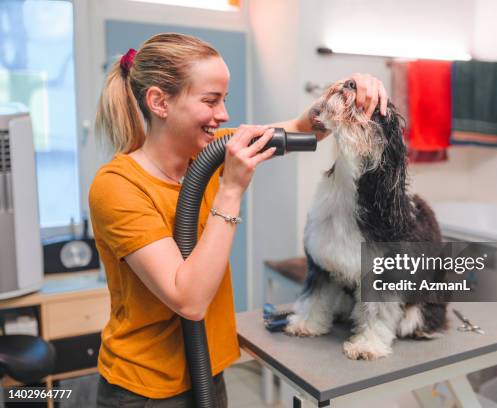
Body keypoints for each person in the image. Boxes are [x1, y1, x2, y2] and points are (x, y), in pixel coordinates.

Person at [90, 32, 388, 407]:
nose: (224, 115)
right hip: (144, 389)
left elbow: (307, 127)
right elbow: (189, 300)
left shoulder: (213, 152)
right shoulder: (117, 186)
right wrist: (230, 191)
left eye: (225, 100)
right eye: (211, 100)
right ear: (159, 102)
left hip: (208, 374)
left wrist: (348, 92)